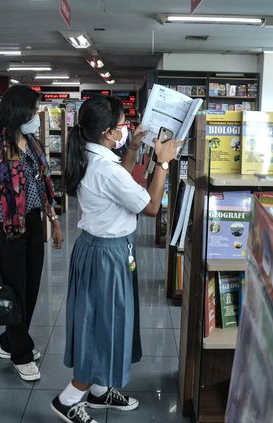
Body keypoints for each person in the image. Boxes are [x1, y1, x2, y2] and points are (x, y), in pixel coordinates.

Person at [51, 95, 179, 423]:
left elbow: (117, 187)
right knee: (103, 327)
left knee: (106, 320)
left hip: (102, 250)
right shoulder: (104, 168)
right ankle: (69, 398)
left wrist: (133, 149)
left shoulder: (92, 157)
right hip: (106, 256)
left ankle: (98, 389)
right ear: (108, 132)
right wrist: (163, 163)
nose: (127, 129)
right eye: (123, 125)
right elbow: (150, 206)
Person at [0, 85, 64, 381]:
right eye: (33, 111)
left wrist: (55, 220)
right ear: (18, 112)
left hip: (34, 221)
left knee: (31, 286)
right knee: (15, 288)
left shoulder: (32, 142)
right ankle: (21, 353)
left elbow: (42, 186)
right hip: (6, 227)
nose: (37, 116)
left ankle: (8, 340)